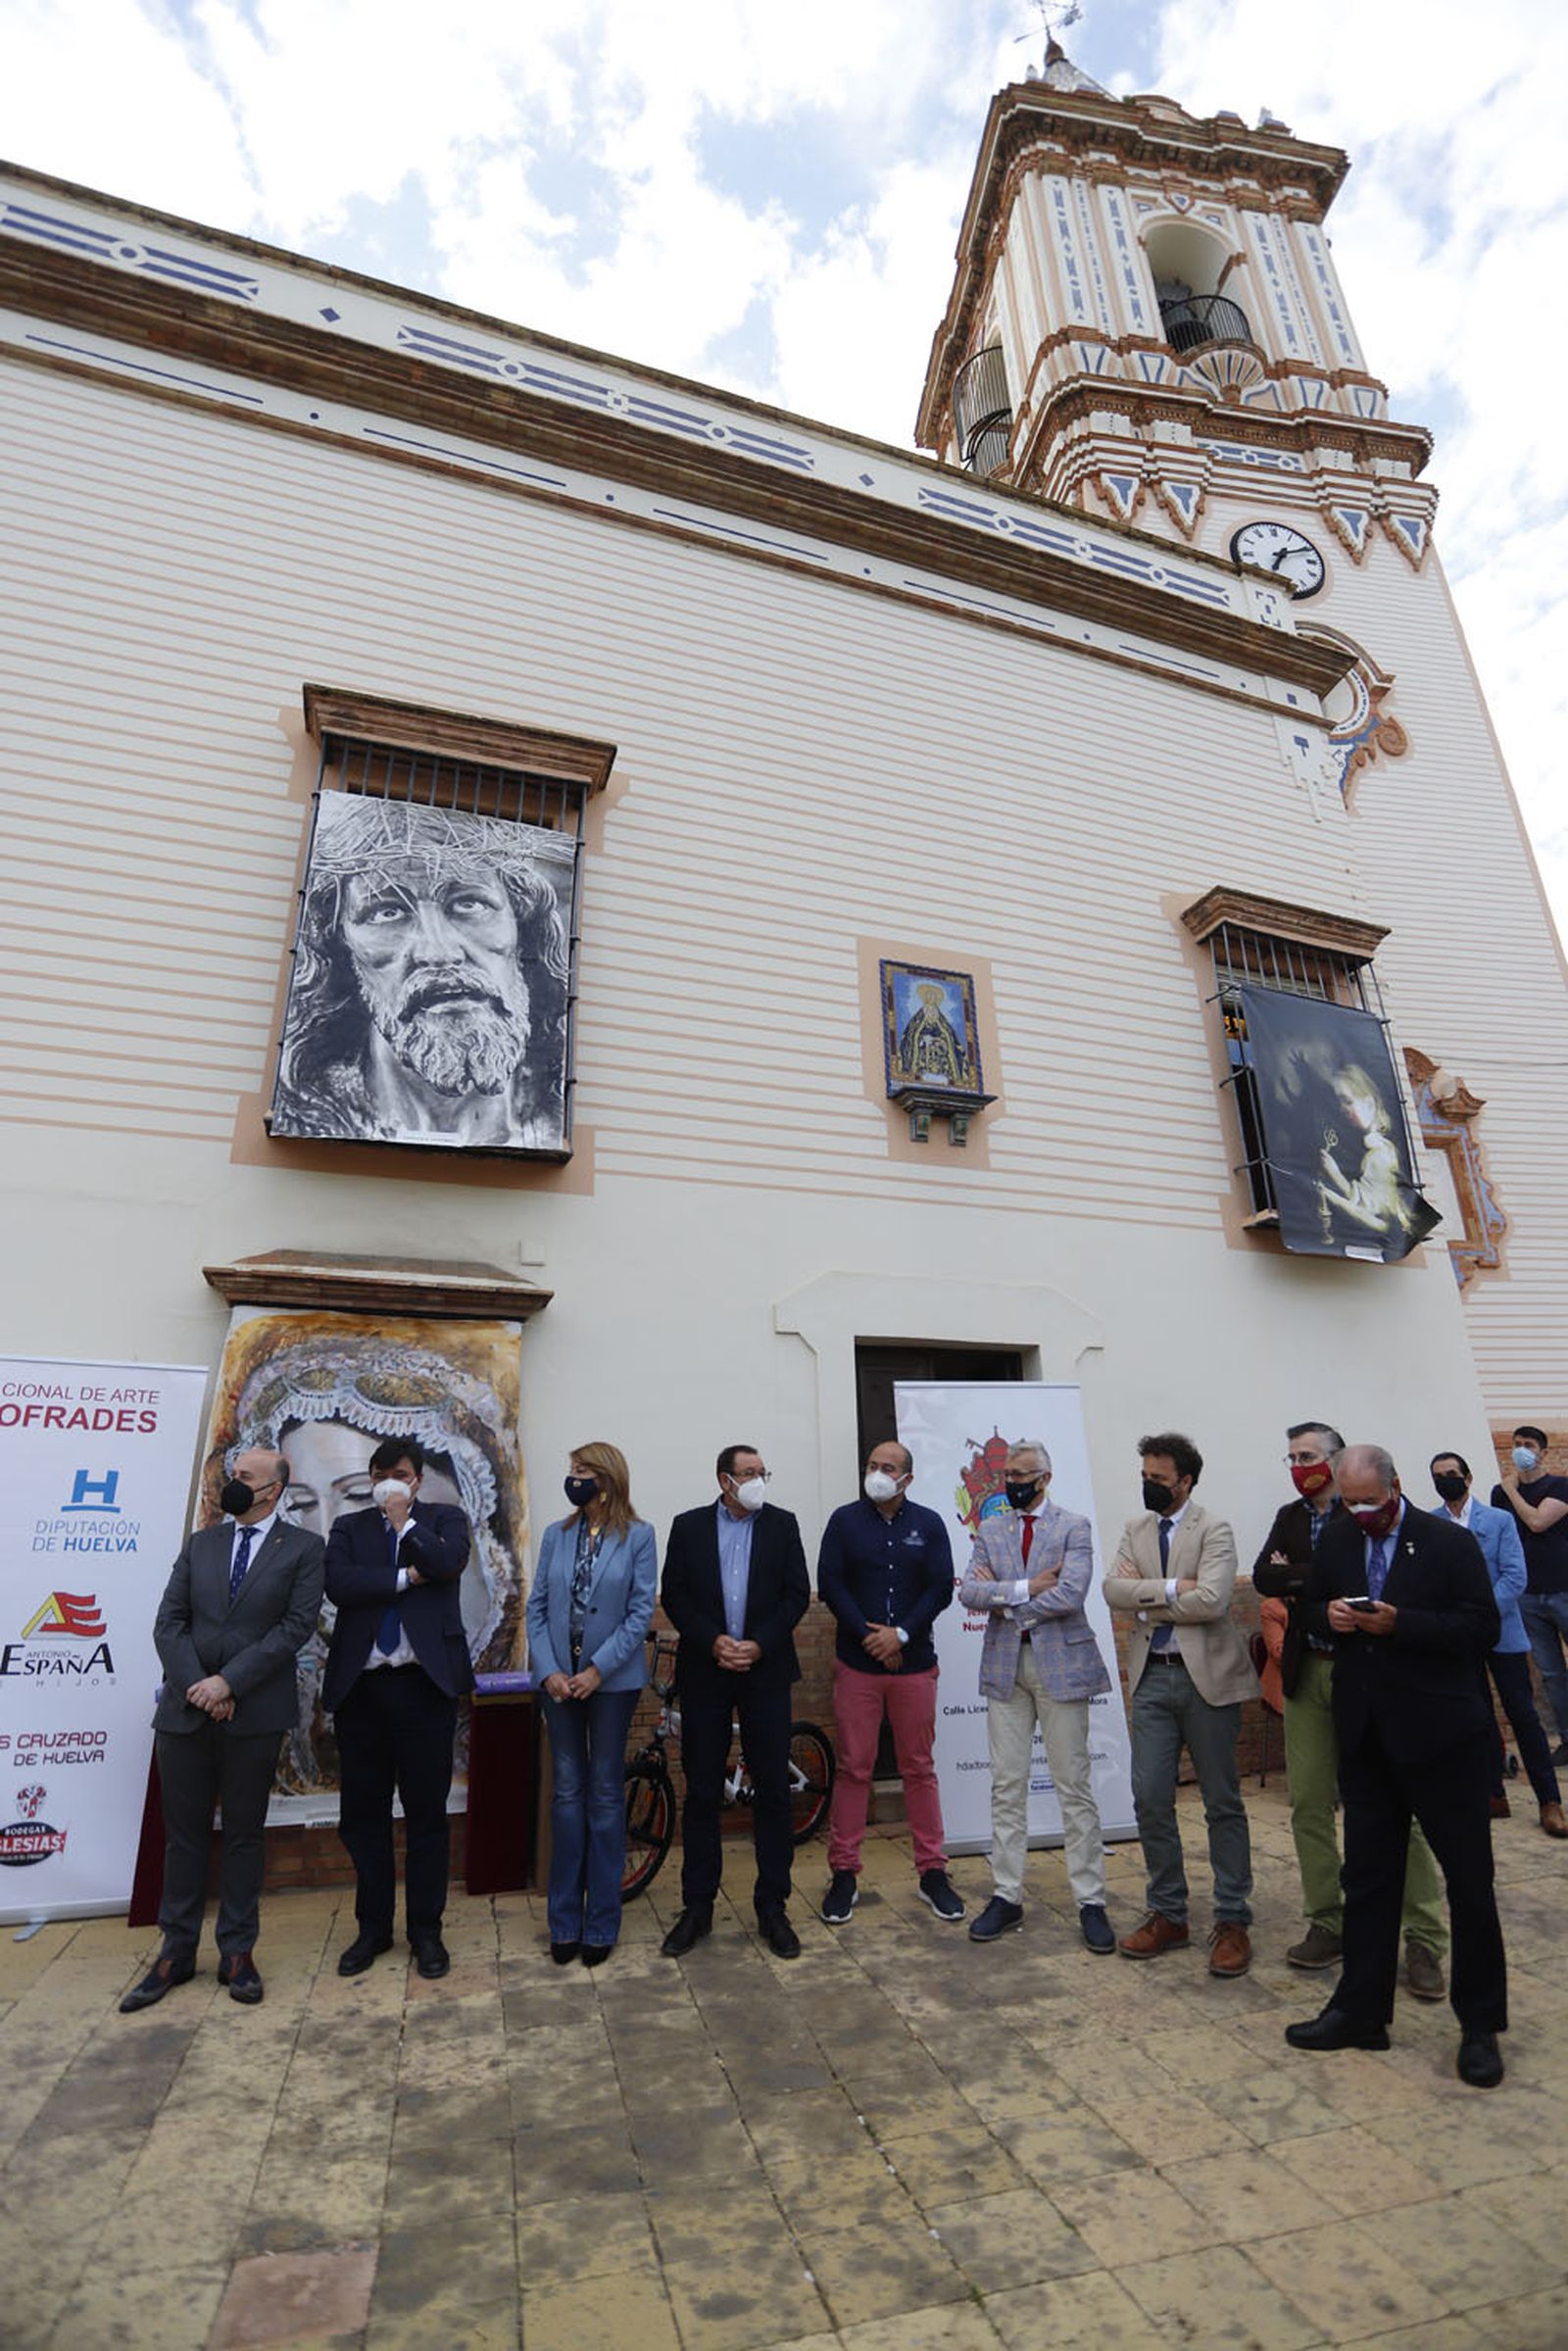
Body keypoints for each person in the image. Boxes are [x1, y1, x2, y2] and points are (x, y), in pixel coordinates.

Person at [1287, 1445, 1507, 2087]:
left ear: (1397, 1487)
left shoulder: (1447, 1542)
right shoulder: (1338, 1538)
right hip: (1367, 1738)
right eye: (1350, 1502)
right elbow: (1309, 1605)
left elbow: (1481, 1627)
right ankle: (1360, 2012)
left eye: (1370, 1502)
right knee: (1369, 1881)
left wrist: (1400, 1624)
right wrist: (1325, 1617)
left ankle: (1480, 2026)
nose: (1361, 1513)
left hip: (1443, 1740)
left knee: (1469, 1884)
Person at [122, 1448, 324, 2012]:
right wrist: (200, 1687)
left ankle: (237, 1951)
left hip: (253, 1715)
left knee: (243, 1836)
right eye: (233, 1475)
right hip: (185, 1713)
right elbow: (169, 1622)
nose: (233, 1483)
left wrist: (229, 1683)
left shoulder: (303, 1549)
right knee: (183, 1838)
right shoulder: (201, 1544)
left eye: (246, 1477)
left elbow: (294, 1628)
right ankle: (176, 1951)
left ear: (273, 1490)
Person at [1252, 1421, 1447, 1998]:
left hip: (1368, 1673)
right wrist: (1311, 1583)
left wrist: (1301, 1578)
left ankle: (1423, 1938)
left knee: (1398, 1805)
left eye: (1307, 1455)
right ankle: (1327, 1922)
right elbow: (1265, 1576)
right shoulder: (1290, 1516)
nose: (1298, 1466)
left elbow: (1363, 1583)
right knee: (1309, 1803)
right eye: (1291, 1457)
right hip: (1308, 1670)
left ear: (1337, 1462)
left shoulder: (1371, 1513)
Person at [270, 795, 572, 1151]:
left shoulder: (560, 1114)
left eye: (469, 903)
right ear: (340, 946)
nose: (439, 953)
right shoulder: (302, 1114)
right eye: (387, 913)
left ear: (521, 927)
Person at [1103, 1432, 1257, 1977]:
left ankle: (1232, 1918)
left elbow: (1213, 1600)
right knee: (1149, 1797)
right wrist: (1173, 1590)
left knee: (1221, 1800)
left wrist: (1147, 1599)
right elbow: (1112, 1592)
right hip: (1152, 1678)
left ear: (1186, 1481)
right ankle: (1168, 1913)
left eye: (1159, 1479)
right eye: (1145, 1476)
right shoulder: (1136, 1528)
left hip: (1206, 1681)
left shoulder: (1214, 1527)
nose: (1149, 1485)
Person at [323, 1435, 474, 1980]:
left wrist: (404, 1524)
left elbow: (446, 1562)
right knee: (364, 1817)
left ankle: (426, 1931)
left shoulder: (443, 1519)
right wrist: (404, 1578)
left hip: (422, 1689)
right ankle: (373, 1927)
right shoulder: (349, 1527)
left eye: (401, 1475)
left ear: (417, 1479)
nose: (389, 1483)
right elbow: (340, 1584)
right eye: (380, 1475)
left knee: (426, 1815)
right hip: (362, 1692)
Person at [956, 1440, 1115, 1952]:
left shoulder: (1073, 1526)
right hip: (1006, 1668)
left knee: (1073, 1785)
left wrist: (1004, 1599)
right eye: (1008, 1474)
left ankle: (1090, 1900)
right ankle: (1007, 1895)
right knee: (1007, 1784)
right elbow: (969, 1592)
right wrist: (1026, 1589)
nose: (1012, 1483)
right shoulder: (992, 1528)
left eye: (1022, 1475)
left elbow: (1071, 1593)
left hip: (1061, 1667)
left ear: (1045, 1478)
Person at [659, 1445, 810, 1959]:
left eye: (763, 1472)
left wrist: (760, 1643)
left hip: (765, 1672)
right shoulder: (689, 1527)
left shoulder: (783, 1525)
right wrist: (712, 1641)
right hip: (707, 1672)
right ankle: (697, 1908)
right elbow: (675, 1595)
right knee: (703, 1791)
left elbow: (796, 1594)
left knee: (773, 1791)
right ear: (725, 1480)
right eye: (749, 1473)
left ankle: (773, 1908)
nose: (758, 1480)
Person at [816, 1439, 961, 1926]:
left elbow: (941, 1587)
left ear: (907, 1479)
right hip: (857, 1665)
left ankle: (932, 1871)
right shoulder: (843, 1522)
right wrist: (869, 1636)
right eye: (872, 1465)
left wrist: (900, 1634)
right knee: (853, 1767)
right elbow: (830, 1583)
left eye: (888, 1467)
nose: (877, 1473)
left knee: (918, 1767)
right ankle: (844, 1873)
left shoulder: (930, 1524)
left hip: (914, 1664)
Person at [525, 1444, 658, 1965]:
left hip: (612, 1684)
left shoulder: (639, 1536)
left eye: (582, 1471)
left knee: (604, 1797)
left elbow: (640, 1612)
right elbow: (537, 1608)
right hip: (558, 1684)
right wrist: (549, 1671)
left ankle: (601, 1924)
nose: (573, 1479)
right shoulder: (556, 1536)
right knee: (566, 1797)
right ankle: (564, 1923)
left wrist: (597, 1670)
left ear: (606, 1480)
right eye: (572, 1471)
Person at [1431, 1449, 1568, 1839]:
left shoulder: (1499, 1520)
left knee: (1522, 1714)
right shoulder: (1433, 1524)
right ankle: (1493, 1792)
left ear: (1468, 1478)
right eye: (1438, 1475)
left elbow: (1514, 1575)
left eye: (1451, 1473)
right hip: (1460, 1638)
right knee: (1477, 1715)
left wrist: (1480, 1612)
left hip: (1501, 1631)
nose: (1445, 1480)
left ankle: (1549, 1800)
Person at [1491, 1424, 1568, 1766]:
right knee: (1550, 1673)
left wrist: (1512, 1490)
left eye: (1529, 1445)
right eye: (1517, 1443)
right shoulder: (1500, 1493)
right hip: (1527, 1594)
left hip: (1563, 1588)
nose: (1521, 1449)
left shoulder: (1560, 1486)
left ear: (1543, 1452)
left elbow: (1537, 1522)